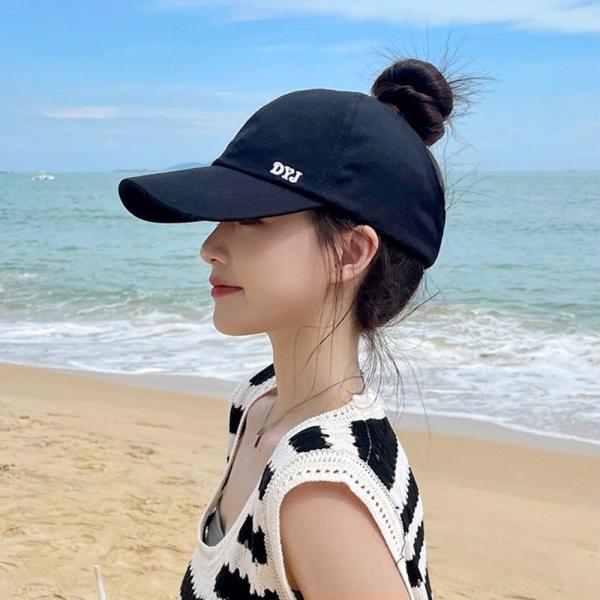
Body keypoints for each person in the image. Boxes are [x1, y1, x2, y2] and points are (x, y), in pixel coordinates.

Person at [118, 55, 467, 600]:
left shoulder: (322, 490)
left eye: (250, 217)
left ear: (350, 253)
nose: (210, 246)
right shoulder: (259, 401)